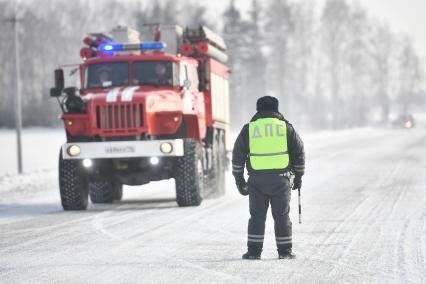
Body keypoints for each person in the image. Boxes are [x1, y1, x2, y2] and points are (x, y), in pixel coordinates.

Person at [232, 96, 305, 260]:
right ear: (277, 109)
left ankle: (254, 252)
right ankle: (285, 252)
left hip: (257, 181)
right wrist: (298, 176)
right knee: (282, 216)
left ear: (258, 110)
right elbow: (298, 153)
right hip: (281, 180)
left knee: (257, 217)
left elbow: (238, 156)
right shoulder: (285, 128)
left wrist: (239, 180)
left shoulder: (249, 129)